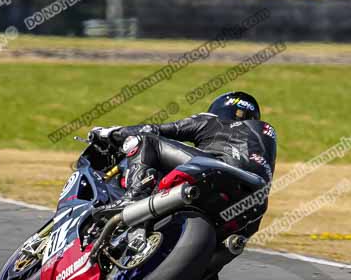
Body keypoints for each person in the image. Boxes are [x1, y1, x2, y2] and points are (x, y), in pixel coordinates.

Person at [90, 91, 277, 234]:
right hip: (254, 201)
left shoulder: (212, 120)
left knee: (147, 141)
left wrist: (110, 133)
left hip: (216, 169)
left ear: (219, 109)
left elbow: (154, 129)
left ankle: (135, 195)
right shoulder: (266, 135)